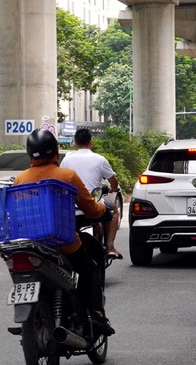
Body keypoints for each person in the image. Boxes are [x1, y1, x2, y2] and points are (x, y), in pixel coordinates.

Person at [13, 129, 115, 336]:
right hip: (62, 242)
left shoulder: (20, 178)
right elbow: (92, 209)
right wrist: (105, 209)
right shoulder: (66, 176)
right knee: (90, 269)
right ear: (55, 152)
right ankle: (95, 313)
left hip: (29, 243)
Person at [61, 127, 123, 259]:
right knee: (114, 210)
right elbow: (114, 183)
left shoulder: (66, 160)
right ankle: (110, 246)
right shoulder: (100, 159)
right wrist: (112, 189)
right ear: (91, 142)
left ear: (75, 143)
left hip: (72, 206)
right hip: (93, 205)